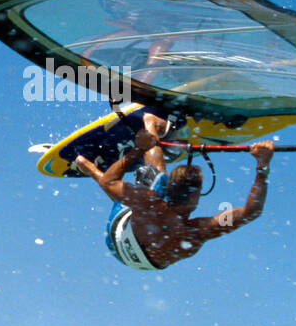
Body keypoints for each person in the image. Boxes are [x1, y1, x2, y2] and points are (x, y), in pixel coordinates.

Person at [74, 112, 274, 270]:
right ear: (194, 198)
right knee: (136, 197)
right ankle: (86, 165)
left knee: (155, 176)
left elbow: (108, 182)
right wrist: (262, 165)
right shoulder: (197, 231)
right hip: (133, 258)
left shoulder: (149, 201)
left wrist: (138, 149)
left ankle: (150, 127)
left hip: (118, 233)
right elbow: (252, 211)